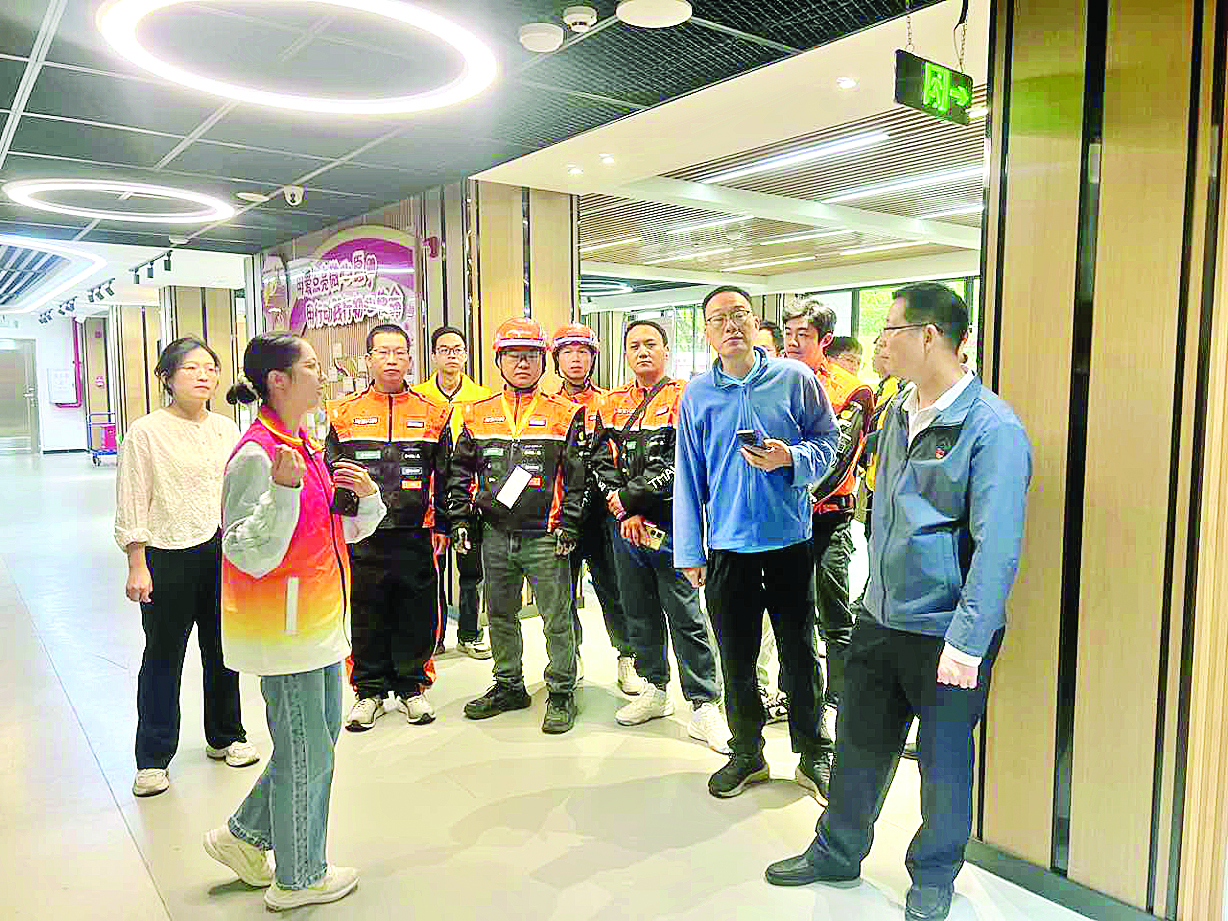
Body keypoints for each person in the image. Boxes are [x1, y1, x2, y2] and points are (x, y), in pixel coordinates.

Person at [765, 283, 1032, 921]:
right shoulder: (894, 410)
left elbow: (997, 546)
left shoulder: (990, 427)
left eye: (891, 329)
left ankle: (934, 874)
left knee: (943, 764)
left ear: (929, 336)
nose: (881, 341)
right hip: (880, 617)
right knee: (859, 744)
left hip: (946, 633)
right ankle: (837, 850)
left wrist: (968, 642)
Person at [202, 333, 385, 912]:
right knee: (307, 751)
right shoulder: (257, 455)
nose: (322, 373)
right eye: (311, 365)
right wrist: (281, 492)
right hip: (285, 631)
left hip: (319, 620)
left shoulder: (303, 444)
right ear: (277, 380)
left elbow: (330, 532)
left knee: (315, 744)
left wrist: (368, 499)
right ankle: (299, 877)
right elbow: (245, 550)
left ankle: (243, 836)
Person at [674, 287, 839, 799]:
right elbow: (688, 476)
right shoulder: (697, 395)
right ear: (706, 331)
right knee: (737, 657)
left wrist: (791, 458)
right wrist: (690, 551)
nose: (730, 326)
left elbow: (829, 443)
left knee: (799, 652)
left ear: (754, 321)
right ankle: (747, 752)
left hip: (789, 541)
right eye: (718, 319)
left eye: (739, 315)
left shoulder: (795, 378)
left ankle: (813, 752)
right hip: (728, 548)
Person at [115, 337, 258, 799]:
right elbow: (133, 498)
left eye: (210, 368)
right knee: (163, 657)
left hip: (221, 553)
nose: (203, 375)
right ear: (167, 377)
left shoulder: (226, 429)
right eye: (192, 367)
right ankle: (153, 757)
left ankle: (226, 735)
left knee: (223, 652)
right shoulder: (146, 432)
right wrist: (137, 562)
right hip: (167, 554)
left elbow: (241, 492)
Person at [592, 319, 731, 754]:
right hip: (624, 528)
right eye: (634, 346)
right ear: (625, 354)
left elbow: (682, 462)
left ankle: (704, 703)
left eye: (651, 344)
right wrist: (622, 506)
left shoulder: (686, 396)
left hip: (673, 525)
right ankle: (655, 687)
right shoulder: (610, 403)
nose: (642, 352)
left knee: (685, 613)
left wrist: (632, 501)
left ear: (667, 350)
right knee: (638, 610)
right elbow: (600, 459)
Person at [446, 317, 586, 735]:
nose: (522, 364)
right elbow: (460, 472)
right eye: (513, 356)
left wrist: (570, 524)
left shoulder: (565, 413)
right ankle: (509, 685)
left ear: (543, 361)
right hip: (495, 534)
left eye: (530, 356)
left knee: (556, 617)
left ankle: (561, 690)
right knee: (500, 615)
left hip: (547, 536)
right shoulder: (476, 413)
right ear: (499, 361)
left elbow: (576, 478)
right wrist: (460, 519)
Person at [327, 324, 451, 731]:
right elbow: (333, 473)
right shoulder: (342, 413)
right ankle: (369, 691)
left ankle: (412, 687)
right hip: (362, 533)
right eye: (383, 352)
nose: (392, 360)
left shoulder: (434, 412)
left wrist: (443, 523)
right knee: (365, 610)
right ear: (368, 360)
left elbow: (445, 475)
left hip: (416, 531)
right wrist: (341, 526)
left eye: (400, 352)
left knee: (416, 610)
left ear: (410, 359)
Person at [782, 299, 874, 714]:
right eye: (788, 334)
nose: (793, 343)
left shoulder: (850, 389)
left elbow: (838, 459)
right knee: (789, 611)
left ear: (825, 340)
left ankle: (841, 694)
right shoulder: (772, 378)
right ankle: (793, 691)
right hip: (781, 520)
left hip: (826, 516)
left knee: (833, 609)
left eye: (803, 335)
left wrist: (797, 498)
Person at [552, 322, 643, 695]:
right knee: (561, 590)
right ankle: (570, 656)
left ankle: (627, 656)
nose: (576, 359)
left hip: (605, 513)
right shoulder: (548, 406)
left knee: (614, 587)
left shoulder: (609, 403)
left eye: (583, 352)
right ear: (556, 360)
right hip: (564, 514)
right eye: (568, 352)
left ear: (593, 358)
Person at [414, 326, 492, 659]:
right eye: (444, 349)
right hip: (429, 496)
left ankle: (470, 633)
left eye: (458, 349)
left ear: (466, 355)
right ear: (433, 355)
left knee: (471, 570)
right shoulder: (418, 397)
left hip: (468, 494)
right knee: (432, 570)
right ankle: (434, 635)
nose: (452, 355)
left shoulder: (482, 397)